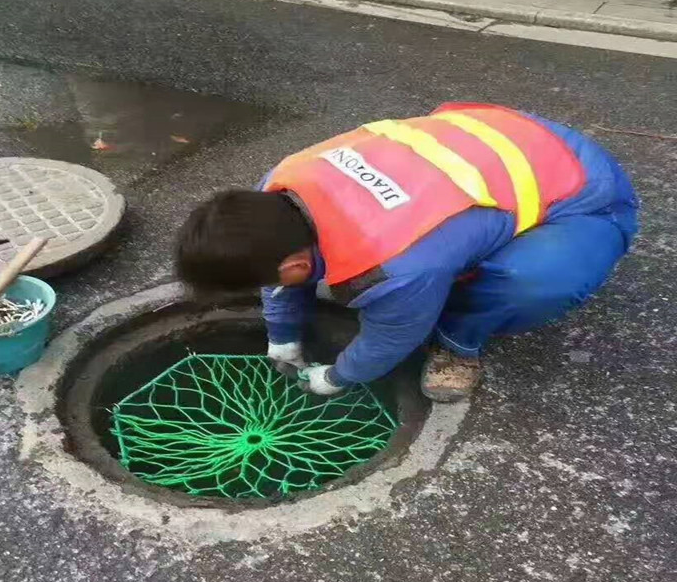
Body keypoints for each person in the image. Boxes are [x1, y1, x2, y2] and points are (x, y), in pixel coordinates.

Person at [176, 103, 638, 402]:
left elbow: (391, 338)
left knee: (533, 281)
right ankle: (467, 254)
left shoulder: (393, 266)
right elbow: (280, 267)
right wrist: (282, 331)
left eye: (269, 281)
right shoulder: (280, 183)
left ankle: (460, 344)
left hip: (582, 189)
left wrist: (338, 376)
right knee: (439, 259)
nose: (269, 288)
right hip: (488, 133)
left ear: (296, 266)